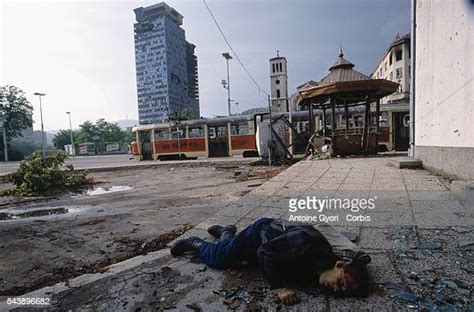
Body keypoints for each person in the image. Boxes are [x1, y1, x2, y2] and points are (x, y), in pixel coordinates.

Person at [170, 218, 371, 304]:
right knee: (219, 258)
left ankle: (226, 233)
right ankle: (195, 243)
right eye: (341, 282)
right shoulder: (307, 245)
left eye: (343, 291)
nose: (338, 288)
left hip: (271, 248)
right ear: (340, 266)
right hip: (260, 235)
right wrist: (279, 288)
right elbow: (265, 251)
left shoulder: (322, 273)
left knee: (233, 255)